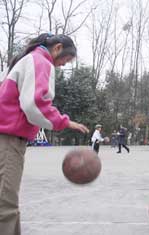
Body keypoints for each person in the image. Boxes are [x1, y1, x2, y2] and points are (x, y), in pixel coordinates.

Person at [0, 33, 89, 235]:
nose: (64, 65)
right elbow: (34, 104)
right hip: (8, 140)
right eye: (66, 59)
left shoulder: (23, 59)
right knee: (5, 205)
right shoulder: (40, 61)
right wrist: (65, 122)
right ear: (57, 48)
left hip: (6, 136)